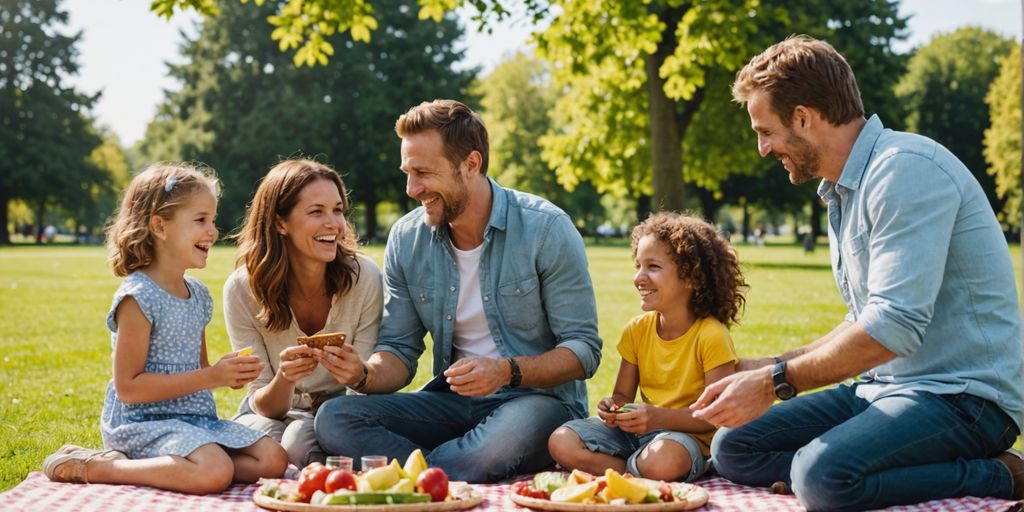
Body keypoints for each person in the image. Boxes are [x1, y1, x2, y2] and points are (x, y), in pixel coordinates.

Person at [690, 35, 1024, 510]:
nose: (763, 148)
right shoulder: (844, 190)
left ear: (803, 118)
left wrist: (776, 383)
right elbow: (863, 317)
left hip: (963, 400)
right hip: (883, 389)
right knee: (735, 447)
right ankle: (877, 467)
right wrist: (771, 364)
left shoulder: (904, 170)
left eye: (765, 131)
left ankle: (1000, 474)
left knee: (821, 477)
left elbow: (894, 327)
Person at [314, 99, 603, 483]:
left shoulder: (546, 229)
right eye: (407, 172)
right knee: (335, 418)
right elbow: (399, 350)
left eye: (424, 173)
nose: (412, 189)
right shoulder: (406, 238)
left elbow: (584, 351)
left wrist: (505, 371)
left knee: (492, 448)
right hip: (451, 403)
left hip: (538, 401)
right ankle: (446, 472)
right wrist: (363, 375)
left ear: (471, 164)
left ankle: (423, 473)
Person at [42, 163, 287, 493]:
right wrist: (211, 377)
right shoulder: (139, 297)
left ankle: (188, 466)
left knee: (274, 459)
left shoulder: (197, 294)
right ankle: (102, 466)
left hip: (193, 418)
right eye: (200, 220)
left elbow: (200, 371)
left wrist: (227, 374)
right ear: (160, 226)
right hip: (143, 422)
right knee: (213, 471)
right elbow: (128, 387)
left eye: (212, 220)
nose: (213, 231)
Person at [548, 212, 745, 483]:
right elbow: (621, 395)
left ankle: (625, 471)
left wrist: (657, 418)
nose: (639, 277)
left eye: (653, 267)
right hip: (640, 435)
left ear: (692, 278)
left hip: (683, 440)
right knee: (561, 441)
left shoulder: (711, 335)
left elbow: (714, 416)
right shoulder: (637, 330)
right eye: (638, 265)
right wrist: (612, 408)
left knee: (664, 459)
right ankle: (634, 472)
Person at [223, 159, 384, 468]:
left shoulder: (364, 277)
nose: (334, 224)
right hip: (270, 412)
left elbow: (363, 392)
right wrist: (285, 378)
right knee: (255, 436)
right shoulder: (242, 289)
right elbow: (262, 403)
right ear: (280, 223)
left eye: (337, 210)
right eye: (316, 211)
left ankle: (304, 471)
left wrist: (354, 374)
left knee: (297, 442)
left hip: (340, 414)